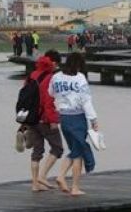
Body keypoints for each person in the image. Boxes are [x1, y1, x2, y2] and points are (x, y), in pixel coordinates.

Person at [49, 52, 99, 196]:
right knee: (78, 151)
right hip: (78, 117)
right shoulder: (80, 78)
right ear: (79, 64)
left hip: (63, 117)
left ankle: (74, 186)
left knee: (76, 150)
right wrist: (94, 120)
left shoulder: (56, 77)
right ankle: (64, 178)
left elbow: (51, 93)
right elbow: (86, 101)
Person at [23, 50, 64, 191]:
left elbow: (24, 97)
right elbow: (48, 101)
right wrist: (53, 120)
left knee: (37, 150)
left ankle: (35, 184)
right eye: (56, 64)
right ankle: (43, 176)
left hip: (31, 118)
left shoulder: (31, 75)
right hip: (45, 119)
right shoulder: (50, 78)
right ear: (53, 62)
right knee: (58, 148)